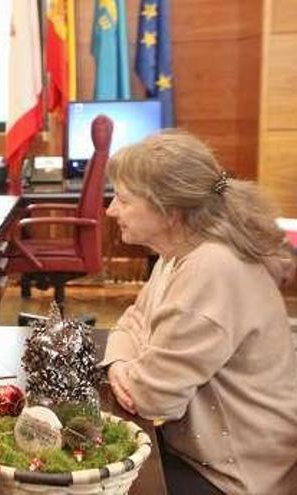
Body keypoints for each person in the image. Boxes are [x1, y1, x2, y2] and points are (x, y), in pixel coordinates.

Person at [100, 131, 297, 494]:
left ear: (169, 212)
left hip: (233, 475)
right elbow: (131, 322)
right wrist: (123, 364)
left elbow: (151, 399)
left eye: (123, 200)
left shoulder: (210, 269)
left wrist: (129, 364)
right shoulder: (177, 253)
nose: (111, 210)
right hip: (195, 451)